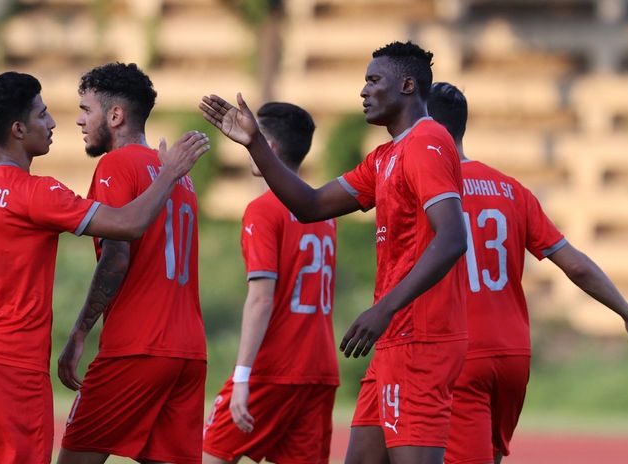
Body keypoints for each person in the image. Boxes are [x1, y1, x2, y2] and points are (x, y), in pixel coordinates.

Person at [0, 71, 209, 464]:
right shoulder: (38, 192)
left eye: (82, 110)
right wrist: (169, 173)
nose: (56, 123)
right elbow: (128, 228)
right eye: (43, 115)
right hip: (18, 365)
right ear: (18, 129)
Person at [201, 41, 469, 464]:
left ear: (407, 85)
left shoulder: (427, 140)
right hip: (392, 342)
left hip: (422, 337)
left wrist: (384, 309)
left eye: (373, 80)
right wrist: (257, 145)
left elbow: (453, 237)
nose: (363, 91)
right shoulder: (384, 157)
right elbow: (309, 205)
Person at [426, 81, 628, 464]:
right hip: (514, 355)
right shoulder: (512, 190)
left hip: (461, 351)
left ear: (427, 127)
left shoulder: (428, 188)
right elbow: (577, 266)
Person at [55, 62, 206, 464]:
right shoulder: (178, 176)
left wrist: (79, 331)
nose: (79, 120)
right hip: (188, 352)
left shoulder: (117, 164)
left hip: (137, 347)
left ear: (115, 115)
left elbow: (117, 256)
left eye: (86, 109)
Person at [203, 102, 339, 464]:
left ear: (270, 148)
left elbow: (262, 299)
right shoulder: (325, 213)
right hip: (320, 370)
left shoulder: (264, 209)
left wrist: (243, 376)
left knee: (212, 455)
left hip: (274, 368)